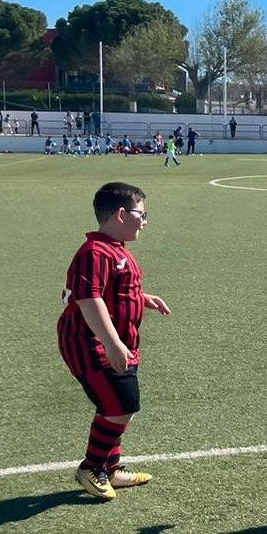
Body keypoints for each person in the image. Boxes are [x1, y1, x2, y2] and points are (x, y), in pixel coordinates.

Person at [57, 182, 172, 500]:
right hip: (89, 344)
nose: (145, 221)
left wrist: (142, 298)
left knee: (119, 406)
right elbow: (88, 298)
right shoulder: (95, 252)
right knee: (120, 406)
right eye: (142, 214)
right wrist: (111, 342)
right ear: (121, 214)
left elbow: (111, 290)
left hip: (116, 342)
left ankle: (110, 468)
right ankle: (91, 467)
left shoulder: (115, 249)